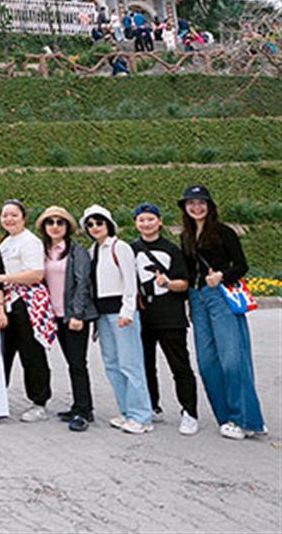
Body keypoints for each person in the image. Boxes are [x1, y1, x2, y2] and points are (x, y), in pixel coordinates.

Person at [179, 184, 265, 440]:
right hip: (197, 299)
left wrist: (222, 275)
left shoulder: (223, 232)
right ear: (185, 207)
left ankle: (246, 419)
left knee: (232, 360)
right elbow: (188, 270)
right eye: (191, 203)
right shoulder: (186, 236)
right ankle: (226, 418)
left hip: (220, 296)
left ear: (210, 206)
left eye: (201, 202)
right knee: (207, 363)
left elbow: (241, 265)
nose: (196, 207)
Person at [82, 205, 152, 434]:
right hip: (102, 315)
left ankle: (141, 415)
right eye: (90, 224)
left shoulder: (119, 247)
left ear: (108, 224)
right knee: (112, 364)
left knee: (130, 363)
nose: (95, 227)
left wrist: (128, 311)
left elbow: (131, 282)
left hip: (120, 313)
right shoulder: (93, 250)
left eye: (99, 222)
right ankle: (126, 411)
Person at [131, 202, 199, 436]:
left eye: (150, 219)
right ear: (136, 223)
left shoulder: (172, 249)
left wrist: (168, 283)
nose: (146, 223)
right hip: (143, 317)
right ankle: (152, 406)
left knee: (179, 366)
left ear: (159, 222)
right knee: (145, 365)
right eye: (141, 220)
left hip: (171, 318)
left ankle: (189, 412)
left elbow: (185, 283)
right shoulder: (131, 249)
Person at [0, 200, 54, 422]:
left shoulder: (30, 241)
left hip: (27, 303)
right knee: (2, 354)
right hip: (7, 303)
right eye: (5, 215)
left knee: (31, 353)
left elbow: (36, 274)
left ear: (24, 218)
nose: (9, 219)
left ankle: (39, 402)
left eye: (14, 215)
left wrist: (4, 278)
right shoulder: (5, 242)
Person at [35, 206, 96, 433]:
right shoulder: (43, 250)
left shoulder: (77, 251)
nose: (55, 226)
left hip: (73, 316)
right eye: (50, 222)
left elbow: (83, 283)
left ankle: (84, 410)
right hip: (54, 316)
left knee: (78, 363)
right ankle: (78, 405)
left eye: (59, 222)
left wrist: (77, 314)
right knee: (70, 362)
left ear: (67, 226)